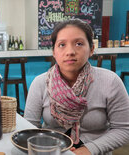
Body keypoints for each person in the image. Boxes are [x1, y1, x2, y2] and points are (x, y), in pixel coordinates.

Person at [24, 19, 129, 155]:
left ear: (91, 49)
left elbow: (123, 129)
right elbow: (29, 128)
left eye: (79, 44)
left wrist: (88, 150)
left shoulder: (110, 82)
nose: (70, 51)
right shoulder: (40, 83)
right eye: (62, 44)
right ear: (54, 52)